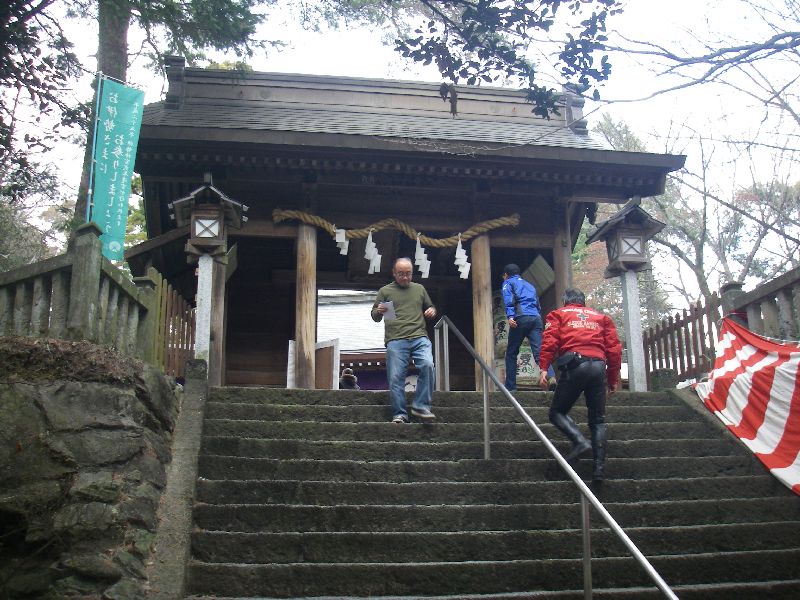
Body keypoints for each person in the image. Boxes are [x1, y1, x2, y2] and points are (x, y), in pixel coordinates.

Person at [537, 288, 622, 484]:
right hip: (598, 367)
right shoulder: (601, 318)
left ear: (566, 301)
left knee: (557, 412)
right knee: (598, 421)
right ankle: (598, 471)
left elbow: (550, 341)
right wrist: (612, 379)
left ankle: (579, 441)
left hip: (575, 365)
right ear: (583, 302)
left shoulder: (558, 315)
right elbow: (614, 349)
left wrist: (544, 368)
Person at [371, 257, 437, 423]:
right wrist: (379, 311)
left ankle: (421, 406)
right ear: (394, 273)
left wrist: (431, 311)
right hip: (396, 338)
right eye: (401, 274)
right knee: (396, 377)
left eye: (408, 274)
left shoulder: (419, 289)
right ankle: (399, 413)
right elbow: (375, 317)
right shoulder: (385, 291)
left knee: (428, 365)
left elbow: (430, 307)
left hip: (419, 336)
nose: (405, 277)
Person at [501, 263, 543, 391]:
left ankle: (511, 387)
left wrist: (510, 316)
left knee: (511, 353)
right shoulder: (530, 285)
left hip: (521, 317)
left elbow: (509, 300)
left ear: (506, 275)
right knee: (539, 351)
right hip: (536, 318)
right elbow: (538, 304)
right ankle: (550, 376)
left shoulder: (508, 283)